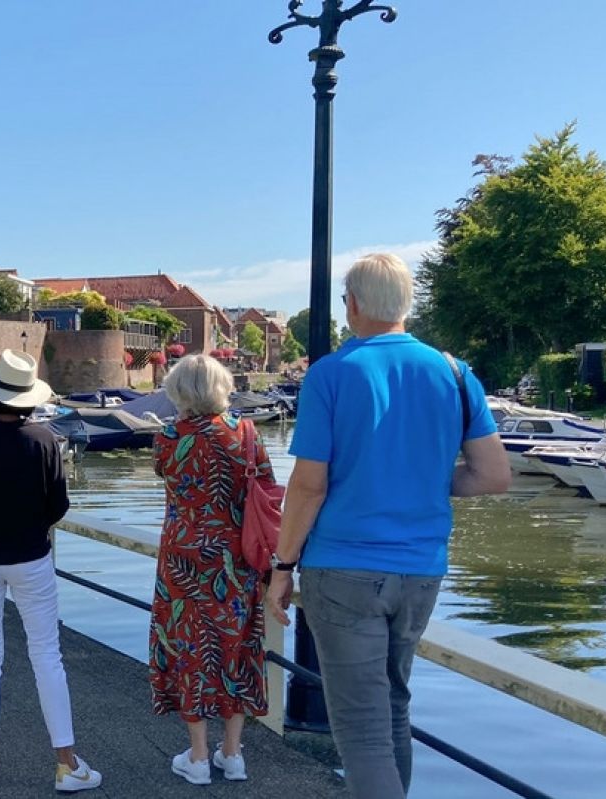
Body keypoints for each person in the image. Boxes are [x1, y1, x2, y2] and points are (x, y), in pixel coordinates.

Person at [267, 253, 510, 798]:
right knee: (394, 710)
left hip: (345, 567)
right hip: (422, 570)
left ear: (351, 305)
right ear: (407, 304)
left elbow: (308, 486)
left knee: (361, 730)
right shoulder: (453, 372)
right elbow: (493, 475)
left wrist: (282, 567)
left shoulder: (331, 373)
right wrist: (416, 476)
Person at [0, 348, 101, 793]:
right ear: (30, 397)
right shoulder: (47, 441)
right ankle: (67, 765)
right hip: (31, 559)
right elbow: (59, 506)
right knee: (46, 656)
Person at [150, 354, 273, 785]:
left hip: (183, 560)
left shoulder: (167, 436)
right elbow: (266, 485)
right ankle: (233, 754)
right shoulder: (246, 431)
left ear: (179, 391)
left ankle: (198, 758)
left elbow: (165, 475)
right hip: (235, 560)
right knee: (236, 650)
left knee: (189, 650)